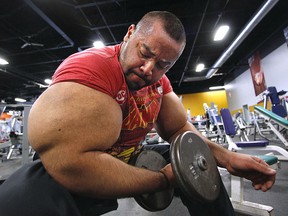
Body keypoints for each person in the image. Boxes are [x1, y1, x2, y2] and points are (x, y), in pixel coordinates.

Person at [0, 11, 276, 216]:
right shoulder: (92, 70)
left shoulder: (158, 83)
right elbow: (73, 164)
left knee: (195, 160)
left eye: (162, 65)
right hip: (66, 168)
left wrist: (228, 158)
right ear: (130, 33)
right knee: (19, 202)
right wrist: (164, 179)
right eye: (144, 53)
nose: (148, 69)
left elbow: (180, 132)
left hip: (129, 155)